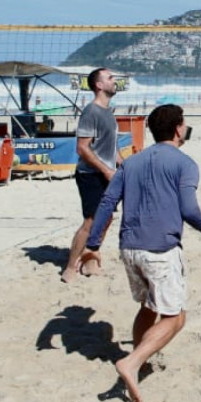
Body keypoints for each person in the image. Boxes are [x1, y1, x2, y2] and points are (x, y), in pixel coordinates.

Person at [79, 104, 201, 402]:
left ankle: (139, 361)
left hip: (128, 248)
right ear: (178, 129)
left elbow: (107, 203)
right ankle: (132, 361)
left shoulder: (131, 163)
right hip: (160, 249)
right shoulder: (185, 163)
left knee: (147, 306)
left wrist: (93, 245)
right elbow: (188, 209)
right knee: (175, 317)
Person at [63, 68, 123, 283]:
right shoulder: (91, 111)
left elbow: (111, 147)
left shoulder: (108, 113)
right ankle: (70, 267)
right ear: (99, 85)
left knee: (106, 219)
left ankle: (90, 258)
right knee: (91, 221)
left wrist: (123, 166)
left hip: (108, 174)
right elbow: (82, 148)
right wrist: (106, 170)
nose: (114, 81)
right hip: (90, 175)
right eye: (110, 78)